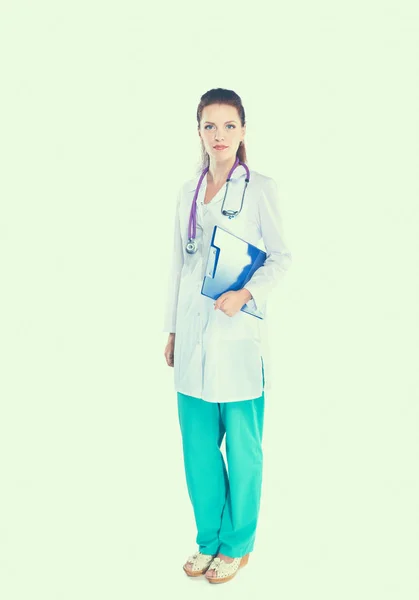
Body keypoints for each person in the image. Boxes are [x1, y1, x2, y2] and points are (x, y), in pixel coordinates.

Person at [162, 88, 292, 584]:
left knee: (242, 448)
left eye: (228, 126)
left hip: (238, 340)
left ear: (243, 130)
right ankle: (208, 541)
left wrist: (246, 295)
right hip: (193, 337)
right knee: (197, 449)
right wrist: (172, 328)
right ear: (199, 131)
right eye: (209, 126)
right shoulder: (186, 192)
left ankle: (237, 545)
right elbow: (178, 263)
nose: (219, 136)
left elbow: (281, 258)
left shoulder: (260, 188)